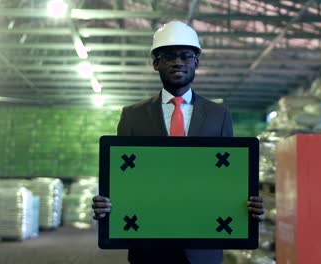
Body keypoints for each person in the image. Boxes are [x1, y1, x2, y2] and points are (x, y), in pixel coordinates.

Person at [92, 21, 265, 264]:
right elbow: (124, 179)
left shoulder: (219, 115)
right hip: (149, 248)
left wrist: (249, 204)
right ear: (156, 63)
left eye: (186, 56)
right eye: (168, 56)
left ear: (196, 62)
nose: (178, 62)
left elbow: (229, 177)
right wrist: (106, 203)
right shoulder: (133, 116)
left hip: (202, 249)